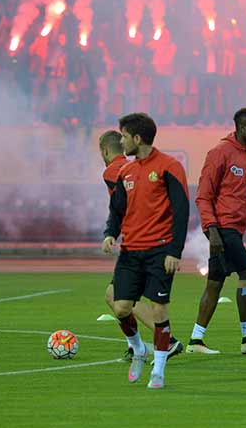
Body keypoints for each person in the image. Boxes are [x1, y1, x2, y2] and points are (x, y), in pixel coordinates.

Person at [103, 113, 189, 389]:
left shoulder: (169, 167)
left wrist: (175, 251)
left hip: (160, 251)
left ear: (137, 138)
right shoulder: (126, 172)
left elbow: (181, 211)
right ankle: (138, 348)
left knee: (159, 310)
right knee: (120, 307)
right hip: (130, 252)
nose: (122, 141)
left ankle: (159, 372)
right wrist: (110, 233)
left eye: (124, 136)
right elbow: (117, 210)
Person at [188, 107, 246, 355]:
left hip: (235, 229)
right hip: (223, 228)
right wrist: (212, 230)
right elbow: (203, 196)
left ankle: (196, 340)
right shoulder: (220, 152)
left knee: (215, 283)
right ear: (241, 128)